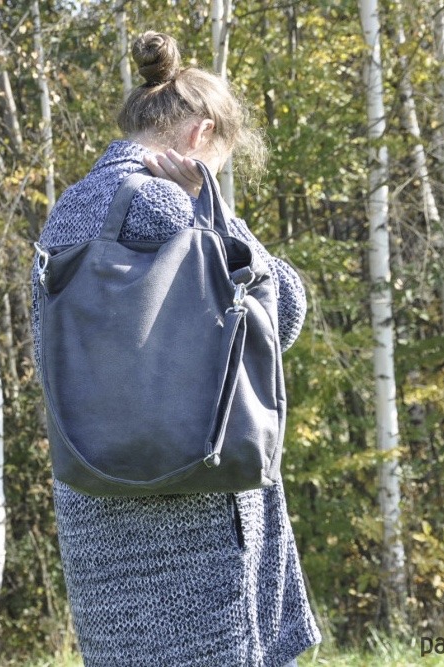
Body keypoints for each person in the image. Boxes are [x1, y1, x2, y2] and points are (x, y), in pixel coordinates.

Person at [32, 30, 321, 667]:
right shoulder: (172, 205)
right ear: (200, 135)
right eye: (219, 162)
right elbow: (279, 313)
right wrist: (214, 208)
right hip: (198, 521)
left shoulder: (67, 212)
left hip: (98, 513)